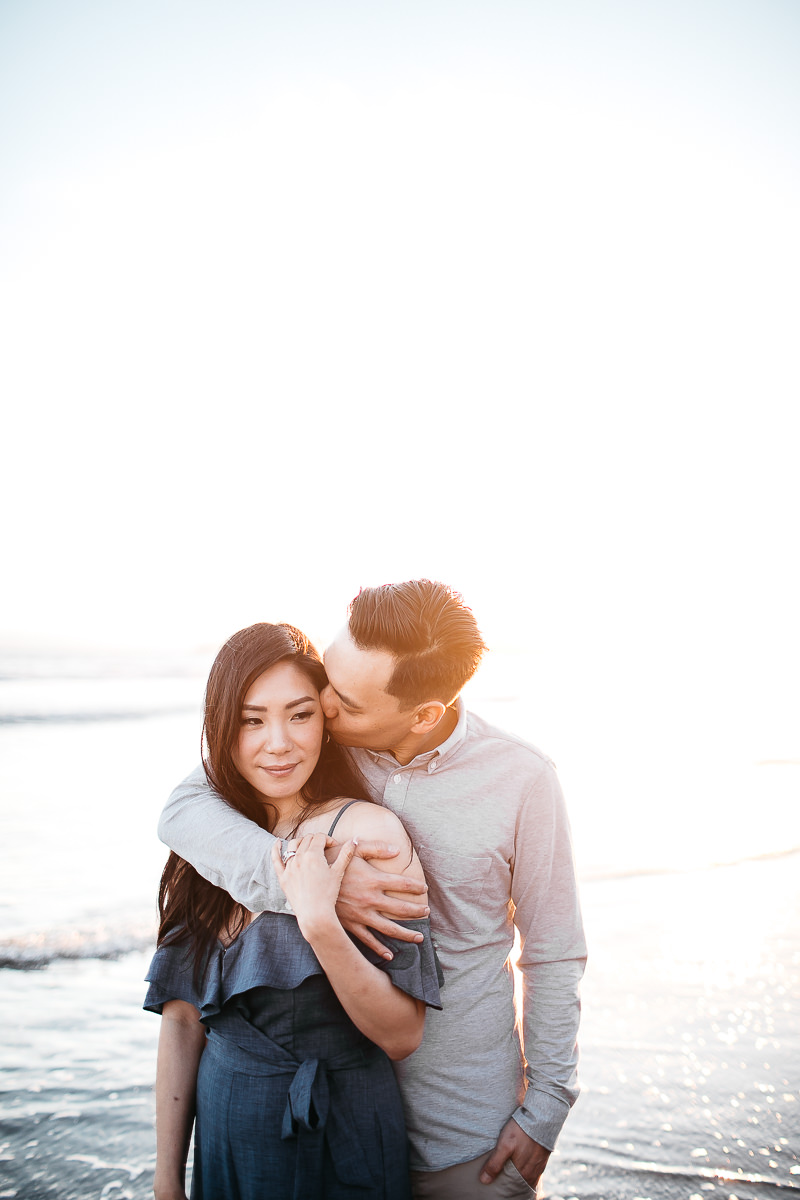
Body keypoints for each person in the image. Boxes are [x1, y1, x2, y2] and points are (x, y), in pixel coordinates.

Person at [159, 581, 587, 1199]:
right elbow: (186, 805)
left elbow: (552, 949)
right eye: (327, 680)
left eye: (346, 702)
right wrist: (306, 882)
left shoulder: (521, 780)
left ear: (422, 716)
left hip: (466, 1132)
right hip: (342, 1117)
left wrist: (546, 1107)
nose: (324, 706)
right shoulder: (315, 744)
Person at [145, 622, 442, 1200]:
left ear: (325, 721)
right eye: (251, 720)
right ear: (221, 727)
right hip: (225, 1138)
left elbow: (402, 1033)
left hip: (339, 1137)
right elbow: (182, 1021)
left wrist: (320, 922)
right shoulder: (213, 842)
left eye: (299, 714)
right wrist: (165, 1180)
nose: (277, 743)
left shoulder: (368, 834)